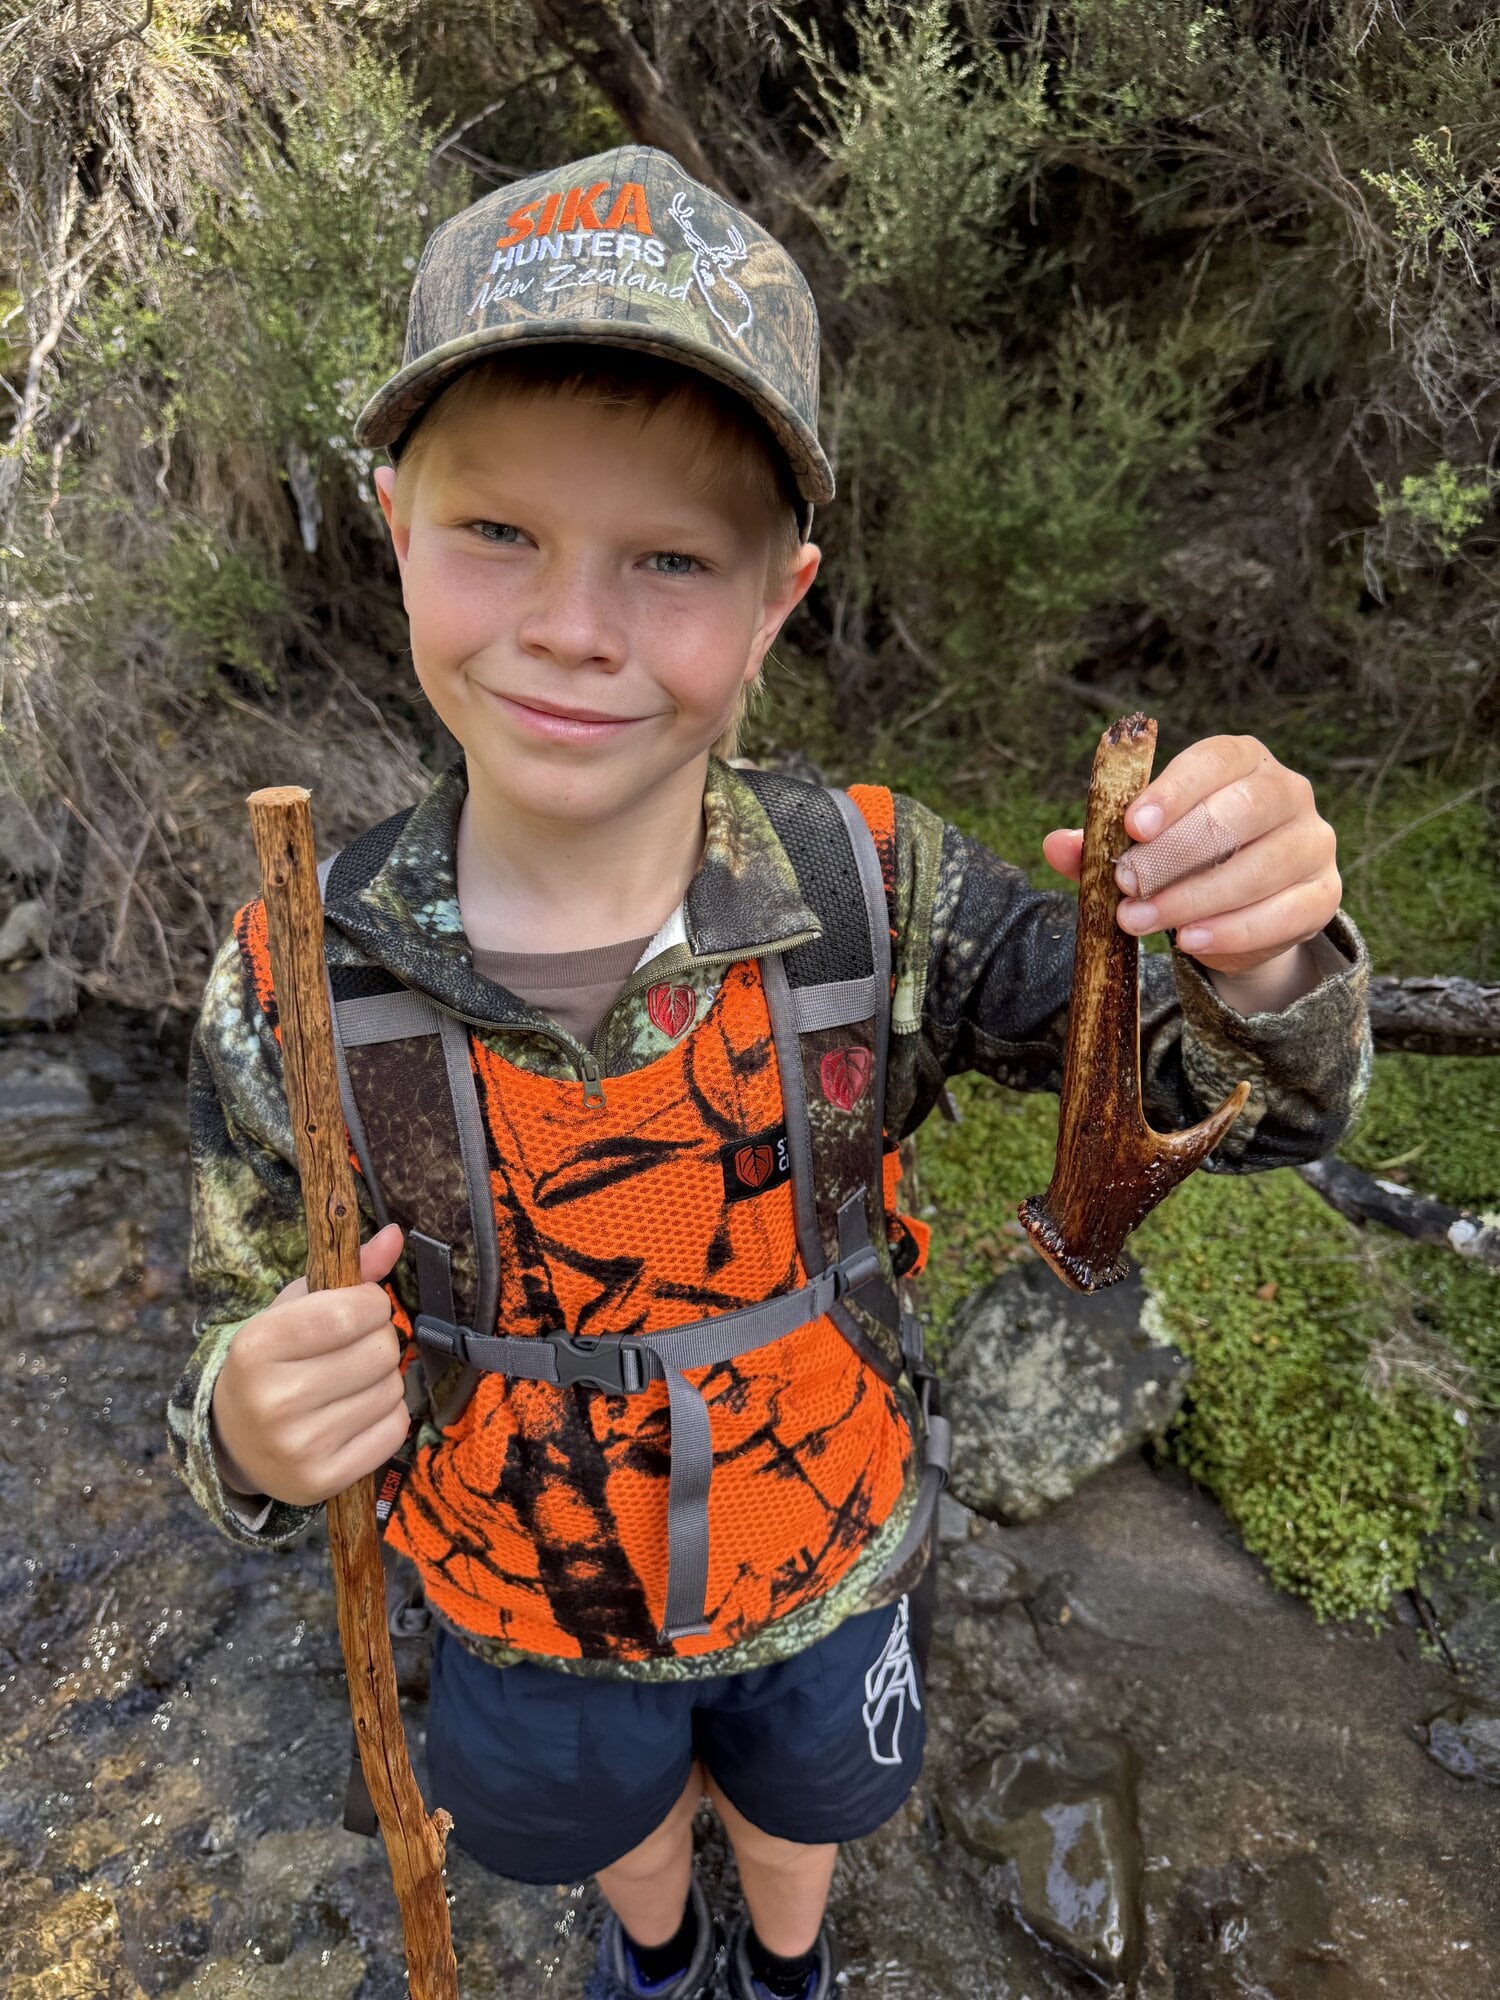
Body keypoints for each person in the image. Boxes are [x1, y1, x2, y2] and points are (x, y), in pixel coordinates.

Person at [168, 145, 1371, 2000]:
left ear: (780, 597)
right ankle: (660, 1956)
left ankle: (785, 1963)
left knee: (804, 1804)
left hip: (831, 1562)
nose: (575, 624)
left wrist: (1261, 947)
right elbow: (235, 1328)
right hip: (518, 1607)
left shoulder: (877, 893)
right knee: (615, 1829)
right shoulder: (293, 980)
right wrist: (250, 1430)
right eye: (501, 532)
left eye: (669, 560)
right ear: (397, 522)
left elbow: (1265, 1107)